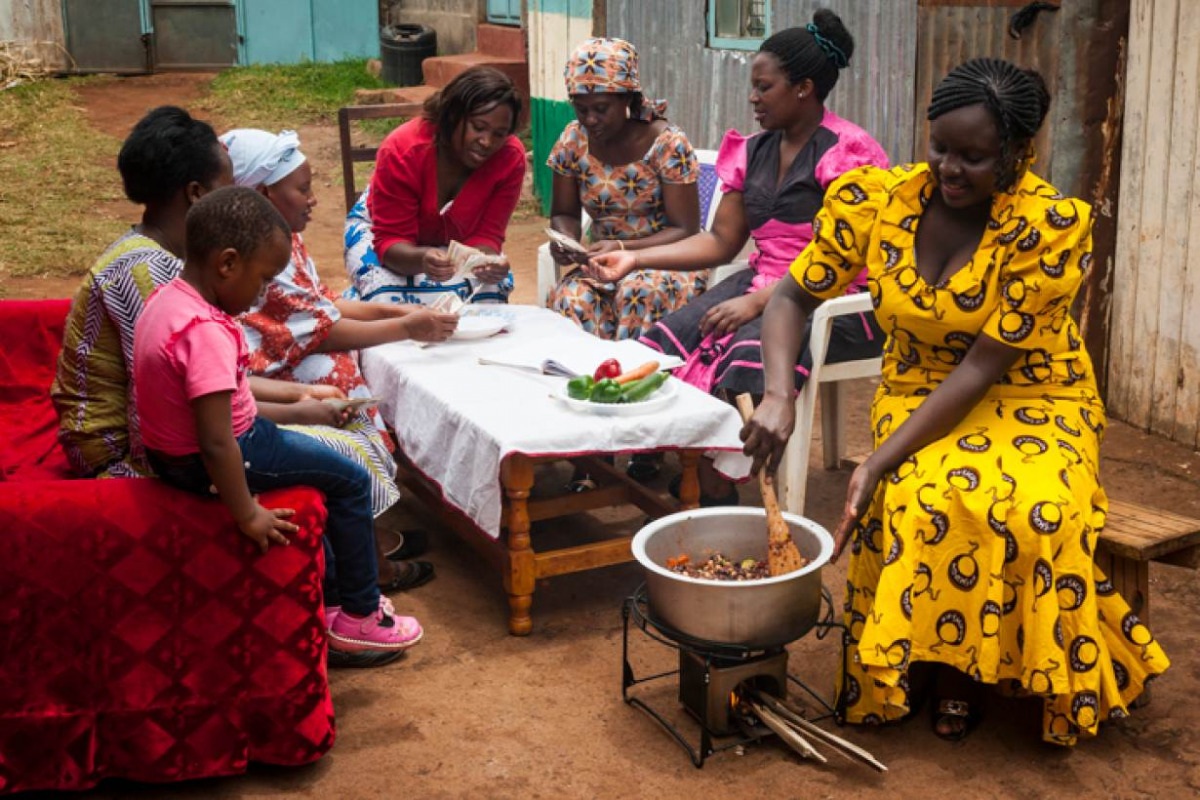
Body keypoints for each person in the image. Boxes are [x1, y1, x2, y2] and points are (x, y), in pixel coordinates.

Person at [741, 58, 1169, 744]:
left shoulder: (1046, 226)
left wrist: (876, 458)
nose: (948, 168)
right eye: (939, 146)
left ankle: (964, 675)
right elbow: (792, 296)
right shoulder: (875, 201)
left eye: (974, 156)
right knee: (927, 495)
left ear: (1017, 154)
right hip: (914, 388)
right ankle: (927, 664)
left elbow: (983, 365)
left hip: (1034, 394)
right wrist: (777, 393)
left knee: (1029, 507)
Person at [591, 13, 887, 494]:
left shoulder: (849, 153)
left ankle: (715, 484)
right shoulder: (752, 151)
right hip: (763, 280)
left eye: (763, 87)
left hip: (838, 299)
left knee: (744, 353)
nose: (753, 97)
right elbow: (720, 243)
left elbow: (848, 262)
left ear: (803, 88)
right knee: (674, 339)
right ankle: (702, 469)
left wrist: (757, 302)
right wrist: (635, 258)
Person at [133, 186, 422, 663]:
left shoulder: (171, 301)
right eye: (264, 278)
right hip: (227, 453)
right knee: (349, 479)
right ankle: (359, 616)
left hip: (189, 451)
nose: (266, 292)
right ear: (227, 264)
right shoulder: (204, 331)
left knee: (327, 468)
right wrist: (247, 513)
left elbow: (230, 396)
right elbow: (217, 439)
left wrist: (300, 401)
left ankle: (331, 603)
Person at [222, 127, 453, 592]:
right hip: (267, 378)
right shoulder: (266, 252)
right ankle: (367, 564)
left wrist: (399, 310)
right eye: (302, 189)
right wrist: (407, 326)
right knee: (340, 386)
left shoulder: (283, 236)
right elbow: (318, 332)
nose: (314, 199)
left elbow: (322, 306)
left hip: (277, 375)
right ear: (265, 194)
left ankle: (365, 534)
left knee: (348, 375)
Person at [52, 106, 235, 477]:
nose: (234, 205)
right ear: (197, 194)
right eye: (228, 191)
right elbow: (154, 400)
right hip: (114, 457)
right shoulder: (147, 271)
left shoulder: (163, 256)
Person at [545, 37, 703, 343]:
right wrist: (564, 240)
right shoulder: (572, 140)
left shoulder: (668, 144)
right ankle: (584, 383)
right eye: (581, 109)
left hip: (665, 264)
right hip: (601, 265)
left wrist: (621, 248)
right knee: (571, 298)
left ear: (627, 100)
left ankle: (635, 384)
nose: (590, 120)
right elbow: (563, 213)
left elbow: (685, 229)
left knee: (639, 293)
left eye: (601, 109)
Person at [344, 67, 525, 306]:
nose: (487, 142)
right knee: (388, 300)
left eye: (499, 134)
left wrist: (486, 261)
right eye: (478, 127)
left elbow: (487, 236)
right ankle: (356, 301)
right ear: (453, 115)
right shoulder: (403, 150)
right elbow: (390, 242)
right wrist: (422, 259)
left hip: (451, 246)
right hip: (380, 232)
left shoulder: (509, 159)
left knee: (489, 292)